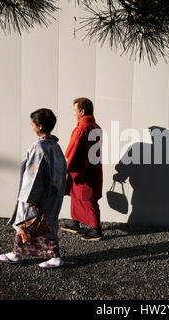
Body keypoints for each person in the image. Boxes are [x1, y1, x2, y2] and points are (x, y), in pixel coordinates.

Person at [0, 108, 67, 268]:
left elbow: (34, 175)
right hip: (52, 193)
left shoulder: (40, 147)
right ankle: (18, 253)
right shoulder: (55, 146)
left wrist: (31, 198)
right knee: (42, 224)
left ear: (40, 126)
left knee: (30, 222)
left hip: (39, 195)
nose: (32, 127)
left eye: (32, 124)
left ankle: (24, 255)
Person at [61, 97, 103, 241]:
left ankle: (96, 230)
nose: (74, 113)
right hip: (90, 166)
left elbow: (77, 151)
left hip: (84, 168)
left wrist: (68, 167)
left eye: (75, 110)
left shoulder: (85, 128)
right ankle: (75, 223)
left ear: (82, 111)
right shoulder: (94, 126)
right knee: (75, 195)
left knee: (87, 198)